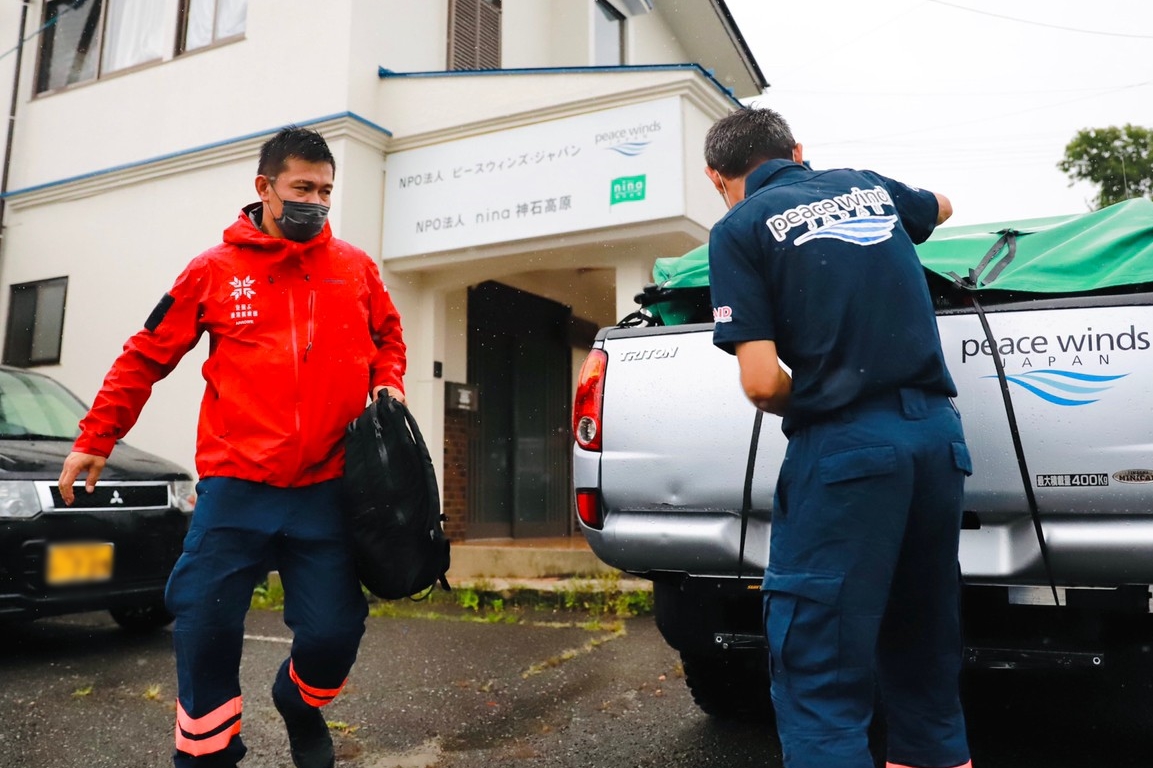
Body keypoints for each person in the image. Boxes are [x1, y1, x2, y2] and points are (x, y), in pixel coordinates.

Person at [57, 126, 407, 768]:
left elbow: (389, 336)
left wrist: (388, 383)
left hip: (325, 491)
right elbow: (145, 356)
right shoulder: (213, 271)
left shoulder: (353, 268)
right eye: (302, 188)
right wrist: (96, 437)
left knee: (334, 632)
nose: (316, 202)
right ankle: (209, 755)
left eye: (326, 191)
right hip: (236, 488)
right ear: (264, 187)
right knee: (202, 625)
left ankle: (300, 705)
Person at [703, 107, 972, 768]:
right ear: (797, 150)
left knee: (818, 663)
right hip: (937, 442)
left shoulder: (737, 229)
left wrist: (829, 398)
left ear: (717, 178)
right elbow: (940, 205)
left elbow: (762, 382)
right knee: (922, 644)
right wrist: (894, 208)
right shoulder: (864, 185)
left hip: (848, 450)